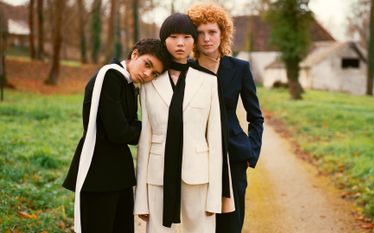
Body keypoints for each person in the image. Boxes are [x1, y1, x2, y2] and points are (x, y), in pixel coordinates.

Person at [62, 38, 170, 233]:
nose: (148, 74)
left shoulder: (128, 83)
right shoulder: (110, 76)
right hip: (98, 172)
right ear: (134, 54)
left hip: (119, 172)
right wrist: (153, 130)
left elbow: (130, 125)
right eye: (147, 64)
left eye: (155, 73)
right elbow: (119, 132)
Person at [134, 13, 224, 233]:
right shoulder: (149, 83)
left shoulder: (209, 81)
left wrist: (215, 197)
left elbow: (214, 138)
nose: (180, 43)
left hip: (198, 174)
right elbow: (145, 139)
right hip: (157, 175)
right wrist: (141, 200)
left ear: (194, 41)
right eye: (173, 37)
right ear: (164, 40)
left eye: (187, 37)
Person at [188, 3, 264, 233]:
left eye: (212, 32)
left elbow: (256, 116)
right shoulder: (185, 71)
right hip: (197, 156)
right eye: (200, 33)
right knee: (201, 222)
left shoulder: (239, 68)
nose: (206, 39)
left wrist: (252, 150)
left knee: (231, 223)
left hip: (234, 156)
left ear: (223, 34)